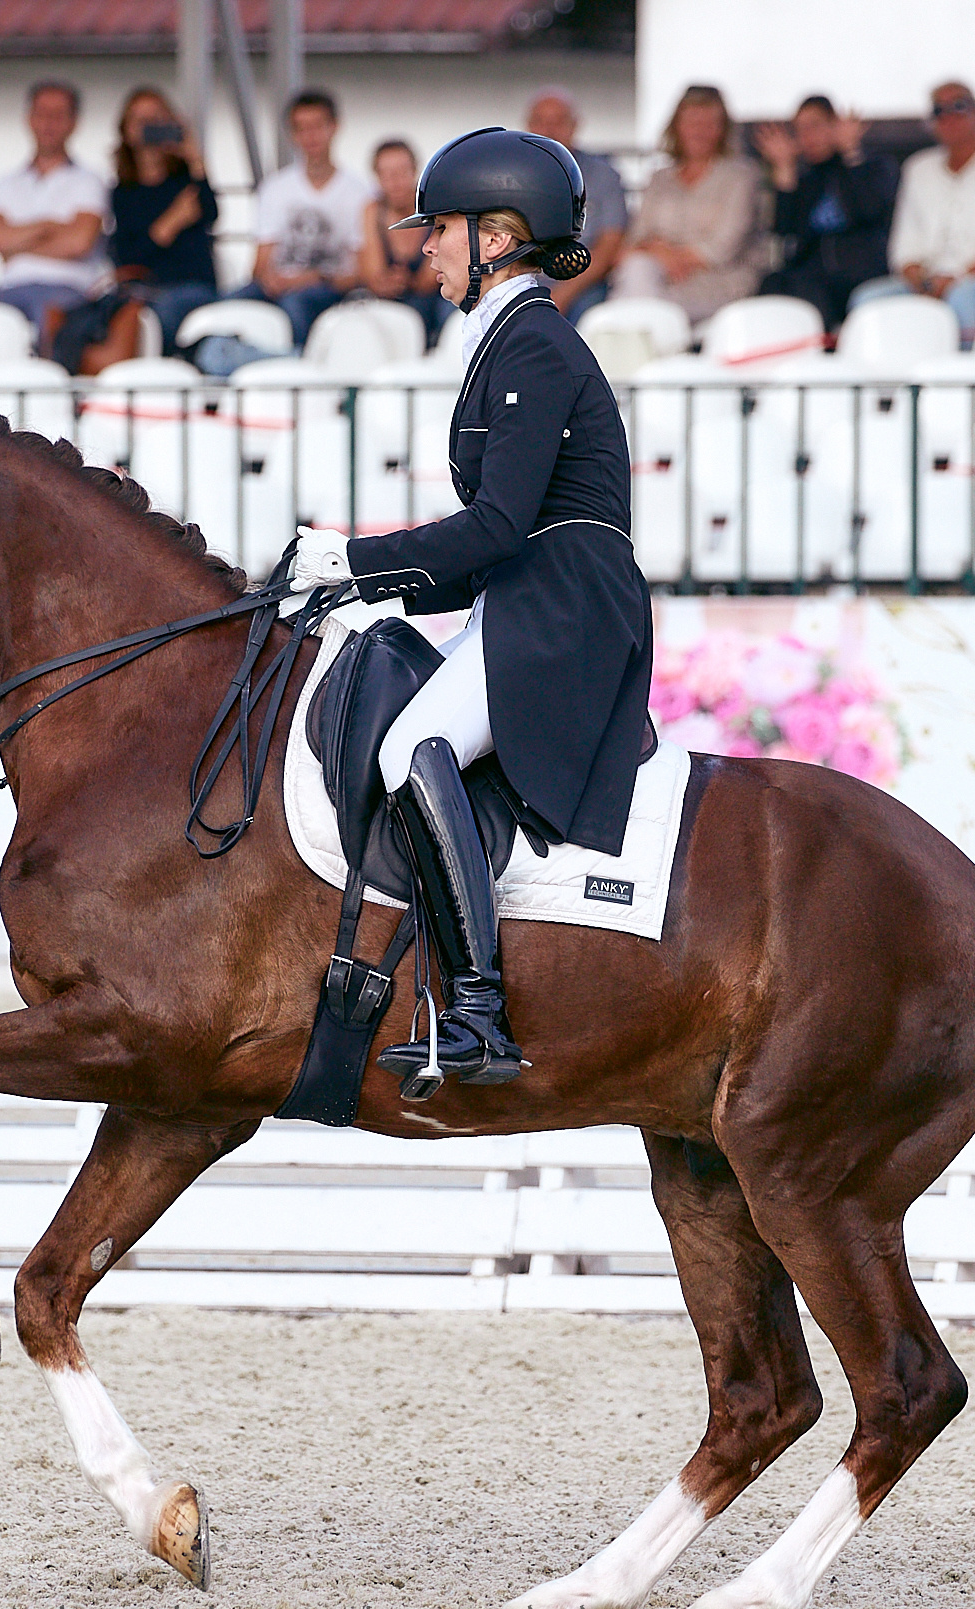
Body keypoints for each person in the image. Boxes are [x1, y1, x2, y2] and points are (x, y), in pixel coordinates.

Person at [284, 128, 649, 1094]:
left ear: (498, 236)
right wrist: (350, 586)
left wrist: (355, 556)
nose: (424, 248)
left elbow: (494, 527)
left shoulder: (534, 340)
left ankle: (479, 1012)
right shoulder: (506, 341)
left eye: (440, 229)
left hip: (562, 601)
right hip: (526, 591)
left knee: (411, 748)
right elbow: (480, 552)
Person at [852, 82, 975, 340]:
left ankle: (962, 378)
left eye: (959, 106)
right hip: (932, 282)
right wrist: (921, 281)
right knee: (867, 300)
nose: (949, 116)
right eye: (939, 110)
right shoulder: (918, 168)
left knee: (963, 297)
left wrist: (957, 279)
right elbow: (905, 245)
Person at [608, 86, 764, 323]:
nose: (699, 132)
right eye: (692, 122)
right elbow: (634, 241)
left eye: (710, 124)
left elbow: (723, 247)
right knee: (636, 271)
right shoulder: (660, 178)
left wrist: (667, 256)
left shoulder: (741, 176)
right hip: (657, 278)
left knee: (631, 305)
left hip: (718, 283)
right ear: (677, 126)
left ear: (723, 129)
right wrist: (662, 254)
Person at [234, 89, 375, 345]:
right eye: (301, 128)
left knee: (296, 305)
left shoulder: (360, 192)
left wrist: (314, 278)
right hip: (279, 286)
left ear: (334, 127)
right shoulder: (275, 188)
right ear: (292, 135)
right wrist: (272, 279)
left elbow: (362, 270)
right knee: (230, 303)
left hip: (331, 288)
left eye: (317, 126)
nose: (310, 137)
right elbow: (259, 263)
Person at [0, 80, 110, 350]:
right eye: (42, 114)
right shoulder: (6, 183)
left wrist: (16, 244)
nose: (49, 123)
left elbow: (79, 243)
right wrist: (49, 226)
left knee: (51, 328)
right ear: (29, 119)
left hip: (67, 291)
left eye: (58, 115)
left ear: (74, 123)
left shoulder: (89, 181)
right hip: (10, 289)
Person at [755, 95, 896, 332]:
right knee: (774, 285)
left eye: (815, 126)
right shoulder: (805, 179)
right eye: (799, 130)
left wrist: (851, 153)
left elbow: (870, 210)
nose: (807, 136)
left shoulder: (871, 166)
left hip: (860, 273)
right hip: (811, 276)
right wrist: (784, 172)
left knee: (810, 293)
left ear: (835, 125)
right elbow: (785, 231)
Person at [107, 86, 218, 355]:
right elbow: (128, 255)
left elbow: (211, 214)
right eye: (140, 121)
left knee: (165, 314)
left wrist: (195, 159)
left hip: (190, 285)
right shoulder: (123, 192)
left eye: (156, 119)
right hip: (144, 288)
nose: (149, 128)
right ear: (126, 130)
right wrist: (169, 224)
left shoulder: (184, 180)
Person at [523, 86, 630, 316]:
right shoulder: (508, 176)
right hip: (521, 280)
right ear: (528, 126)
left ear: (575, 125)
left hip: (583, 281)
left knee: (589, 311)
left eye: (559, 121)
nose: (549, 130)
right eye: (541, 121)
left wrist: (564, 293)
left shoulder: (604, 176)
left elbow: (609, 245)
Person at [360, 139, 452, 342]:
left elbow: (430, 278)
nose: (395, 181)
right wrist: (385, 284)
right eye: (387, 174)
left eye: (402, 172)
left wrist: (401, 281)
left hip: (432, 299)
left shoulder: (434, 208)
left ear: (416, 171)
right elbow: (373, 275)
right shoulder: (372, 211)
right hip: (390, 301)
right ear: (376, 177)